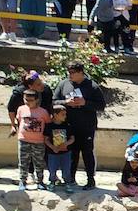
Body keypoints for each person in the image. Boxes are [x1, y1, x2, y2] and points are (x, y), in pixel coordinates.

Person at [56, 61, 105, 190]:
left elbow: (101, 106)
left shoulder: (92, 86)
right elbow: (54, 101)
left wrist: (85, 103)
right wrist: (66, 102)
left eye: (72, 73)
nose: (69, 75)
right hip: (69, 126)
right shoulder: (63, 84)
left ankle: (90, 180)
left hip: (86, 127)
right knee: (71, 153)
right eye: (69, 72)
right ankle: (70, 178)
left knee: (87, 153)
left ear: (80, 73)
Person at [14, 88, 49, 190]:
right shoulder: (21, 109)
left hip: (38, 141)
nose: (28, 102)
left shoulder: (43, 112)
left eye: (30, 100)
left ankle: (40, 181)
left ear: (37, 100)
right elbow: (19, 120)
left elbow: (47, 124)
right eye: (26, 100)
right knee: (23, 162)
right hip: (23, 139)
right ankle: (22, 181)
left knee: (39, 162)